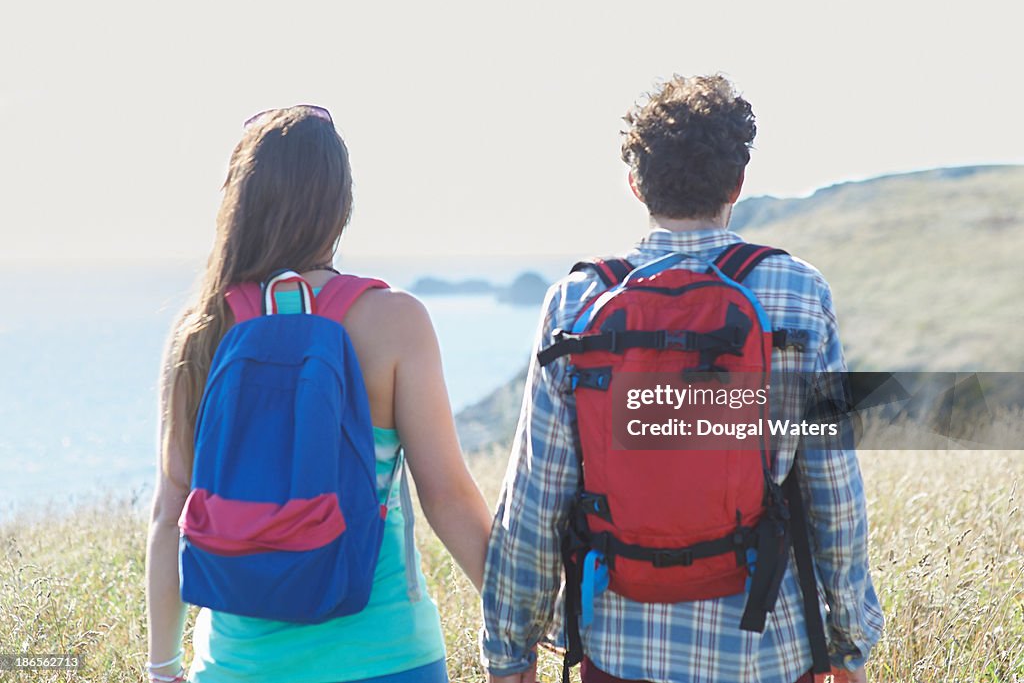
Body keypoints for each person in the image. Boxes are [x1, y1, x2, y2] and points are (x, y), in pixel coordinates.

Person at [479, 75, 883, 683]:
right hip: (764, 649)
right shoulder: (797, 293)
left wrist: (510, 653)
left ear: (635, 184)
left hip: (618, 650)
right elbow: (833, 489)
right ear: (738, 183)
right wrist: (848, 642)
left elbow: (537, 497)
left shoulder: (578, 302)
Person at [145, 105, 493, 683]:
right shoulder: (394, 322)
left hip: (239, 665)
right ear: (341, 205)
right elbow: (449, 498)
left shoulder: (202, 330)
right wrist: (516, 630)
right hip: (389, 656)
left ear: (239, 201)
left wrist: (162, 668)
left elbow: (168, 514)